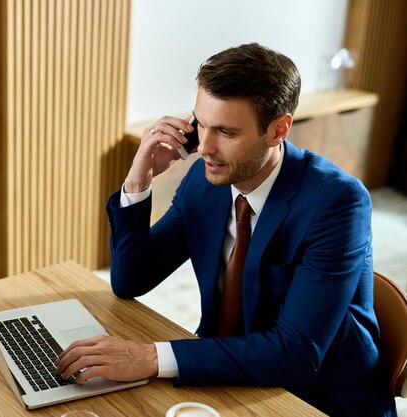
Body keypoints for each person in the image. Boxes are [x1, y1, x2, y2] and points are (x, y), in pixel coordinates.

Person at [56, 43, 398, 416]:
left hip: (315, 399)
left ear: (278, 130)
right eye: (200, 124)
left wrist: (151, 357)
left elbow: (295, 353)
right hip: (224, 379)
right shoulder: (206, 184)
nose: (203, 147)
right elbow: (130, 281)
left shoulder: (337, 202)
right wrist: (138, 183)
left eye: (226, 132)